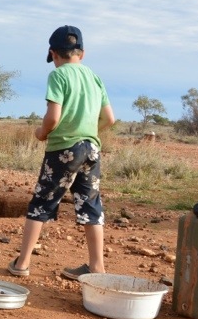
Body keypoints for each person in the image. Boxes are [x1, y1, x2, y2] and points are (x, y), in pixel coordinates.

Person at [7, 25, 116, 281]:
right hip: (91, 148)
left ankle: (22, 263)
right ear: (82, 53)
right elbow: (109, 119)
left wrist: (42, 133)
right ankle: (96, 266)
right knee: (91, 204)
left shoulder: (58, 76)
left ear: (53, 54)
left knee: (42, 201)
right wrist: (88, 131)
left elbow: (53, 118)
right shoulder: (94, 77)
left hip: (64, 149)